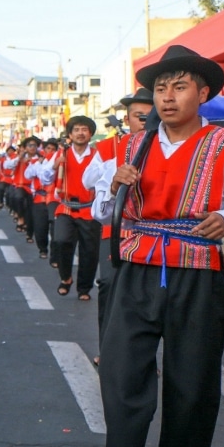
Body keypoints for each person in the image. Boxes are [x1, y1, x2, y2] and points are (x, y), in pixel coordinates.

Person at [93, 45, 224, 447]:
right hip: (134, 274)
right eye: (161, 88)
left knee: (192, 387)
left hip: (196, 276)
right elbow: (101, 211)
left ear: (202, 93)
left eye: (180, 87)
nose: (168, 97)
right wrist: (113, 186)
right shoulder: (129, 147)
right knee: (122, 384)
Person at [85, 90, 153, 354]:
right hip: (118, 232)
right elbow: (90, 183)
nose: (146, 121)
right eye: (140, 116)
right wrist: (111, 176)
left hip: (158, 240)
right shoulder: (110, 150)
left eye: (151, 115)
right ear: (127, 118)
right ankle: (108, 351)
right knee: (111, 286)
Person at [35, 117, 100, 301]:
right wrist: (55, 165)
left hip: (89, 208)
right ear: (70, 134)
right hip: (66, 207)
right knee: (61, 241)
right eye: (76, 129)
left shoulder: (97, 155)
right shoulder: (61, 154)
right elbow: (45, 178)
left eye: (85, 129)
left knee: (89, 251)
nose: (81, 133)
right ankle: (66, 277)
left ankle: (84, 288)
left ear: (90, 134)